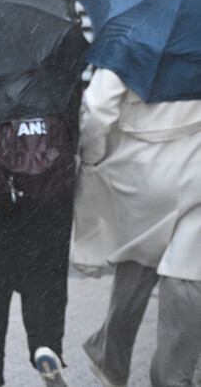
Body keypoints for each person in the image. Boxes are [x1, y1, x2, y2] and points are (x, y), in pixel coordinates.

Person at [73, 67, 201, 387]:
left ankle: (110, 359)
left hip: (139, 168)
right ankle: (172, 375)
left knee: (137, 260)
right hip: (196, 165)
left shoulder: (131, 42)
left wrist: (92, 157)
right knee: (187, 272)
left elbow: (99, 108)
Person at [0, 90, 81, 387]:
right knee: (46, 272)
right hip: (50, 181)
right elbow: (74, 120)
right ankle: (46, 344)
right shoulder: (61, 64)